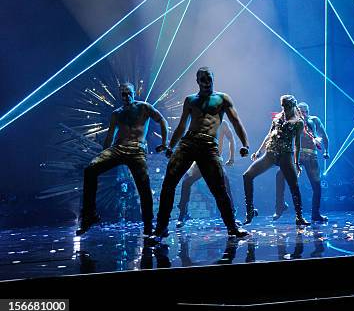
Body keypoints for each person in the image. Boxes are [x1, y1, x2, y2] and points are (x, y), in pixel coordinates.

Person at [153, 67, 250, 239]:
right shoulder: (190, 100)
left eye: (209, 78)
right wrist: (171, 146)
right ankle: (161, 228)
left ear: (213, 79)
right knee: (169, 184)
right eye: (203, 79)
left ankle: (232, 227)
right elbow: (182, 126)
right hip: (188, 143)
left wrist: (245, 144)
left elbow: (236, 122)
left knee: (219, 188)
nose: (207, 82)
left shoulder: (222, 98)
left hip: (208, 146)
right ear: (197, 81)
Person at [77, 83, 168, 236]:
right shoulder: (117, 114)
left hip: (137, 150)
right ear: (120, 95)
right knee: (90, 169)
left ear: (134, 93)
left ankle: (148, 225)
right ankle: (89, 215)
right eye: (123, 94)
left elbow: (162, 121)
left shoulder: (144, 107)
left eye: (129, 93)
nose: (126, 97)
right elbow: (110, 137)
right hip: (118, 148)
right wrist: (102, 156)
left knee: (144, 186)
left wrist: (164, 143)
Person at [243, 95, 310, 226]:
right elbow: (269, 134)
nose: (284, 108)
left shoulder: (298, 122)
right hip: (270, 154)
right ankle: (250, 211)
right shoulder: (278, 118)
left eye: (287, 106)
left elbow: (297, 144)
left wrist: (296, 163)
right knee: (247, 176)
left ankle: (299, 216)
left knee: (294, 185)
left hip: (285, 155)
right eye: (283, 105)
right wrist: (259, 151)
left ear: (292, 106)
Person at [274, 102, 330, 222]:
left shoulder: (314, 120)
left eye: (305, 111)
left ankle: (315, 213)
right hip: (297, 155)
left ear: (308, 111)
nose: (302, 113)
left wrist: (326, 151)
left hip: (311, 155)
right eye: (300, 111)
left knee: (316, 185)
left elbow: (324, 136)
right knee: (280, 174)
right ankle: (281, 205)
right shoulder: (293, 121)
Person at [176, 119, 236, 227]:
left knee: (225, 184)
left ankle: (231, 215)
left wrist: (231, 157)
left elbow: (231, 138)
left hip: (215, 160)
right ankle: (183, 213)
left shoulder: (222, 123)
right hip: (200, 161)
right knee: (186, 182)